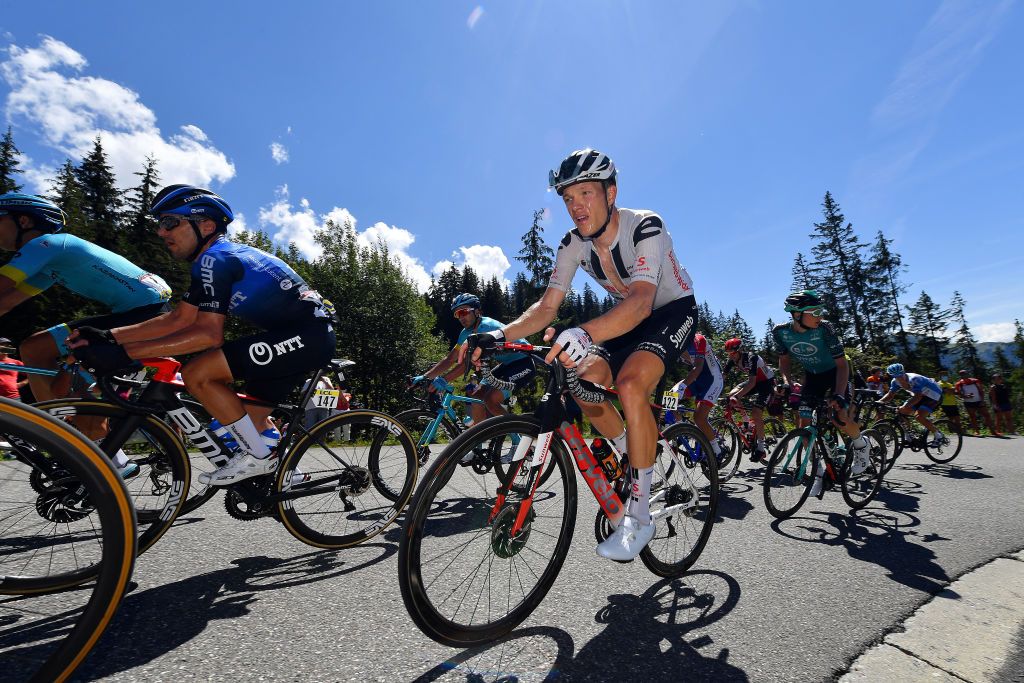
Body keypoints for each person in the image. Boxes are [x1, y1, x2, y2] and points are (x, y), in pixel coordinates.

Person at [463, 148, 698, 561]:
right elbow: (547, 308)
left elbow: (643, 302)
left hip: (668, 310)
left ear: (611, 194)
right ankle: (631, 448)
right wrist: (499, 334)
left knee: (629, 385)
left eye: (585, 194)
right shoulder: (573, 244)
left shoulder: (646, 227)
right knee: (581, 382)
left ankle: (640, 516)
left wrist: (584, 332)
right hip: (628, 317)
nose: (575, 206)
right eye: (568, 198)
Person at [68, 185, 336, 486]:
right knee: (246, 419)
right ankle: (286, 475)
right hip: (298, 336)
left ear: (206, 225)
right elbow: (178, 319)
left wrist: (125, 353)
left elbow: (209, 335)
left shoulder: (216, 260)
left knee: (198, 373)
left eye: (170, 222)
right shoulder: (213, 260)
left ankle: (260, 459)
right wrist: (110, 335)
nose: (161, 232)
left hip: (305, 335)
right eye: (159, 224)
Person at [0, 193, 171, 402]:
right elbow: (5, 303)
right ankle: (48, 424)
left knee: (87, 405)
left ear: (23, 221)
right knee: (34, 348)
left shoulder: (46, 245)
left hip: (146, 315)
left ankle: (49, 427)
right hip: (143, 312)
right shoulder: (49, 263)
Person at [772, 290, 871, 497]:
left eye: (821, 311)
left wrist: (839, 394)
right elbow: (784, 360)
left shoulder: (825, 328)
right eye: (814, 311)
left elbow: (842, 364)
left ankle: (862, 446)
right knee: (805, 424)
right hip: (814, 376)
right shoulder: (780, 332)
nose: (820, 316)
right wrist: (787, 382)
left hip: (838, 372)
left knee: (840, 416)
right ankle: (818, 475)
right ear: (797, 314)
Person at [414, 293, 535, 426]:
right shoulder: (466, 333)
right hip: (507, 364)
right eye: (457, 314)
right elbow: (450, 359)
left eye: (464, 312)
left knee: (490, 399)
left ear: (477, 311)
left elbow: (468, 363)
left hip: (524, 363)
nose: (461, 317)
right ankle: (479, 443)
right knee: (477, 396)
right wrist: (425, 377)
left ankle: (519, 433)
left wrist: (443, 379)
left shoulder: (488, 327)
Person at [667, 334, 726, 461]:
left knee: (699, 417)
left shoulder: (699, 339)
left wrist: (683, 386)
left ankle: (717, 450)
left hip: (713, 379)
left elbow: (698, 367)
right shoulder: (674, 342)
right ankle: (681, 429)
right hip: (697, 379)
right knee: (669, 398)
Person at [723, 337, 775, 461]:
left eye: (733, 353)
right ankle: (746, 422)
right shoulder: (732, 360)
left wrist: (738, 397)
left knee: (756, 413)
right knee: (731, 395)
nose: (731, 356)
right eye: (728, 353)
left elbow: (751, 383)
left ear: (740, 350)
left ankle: (761, 449)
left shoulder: (752, 358)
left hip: (767, 383)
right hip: (755, 381)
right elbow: (721, 377)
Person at [878, 364, 944, 446]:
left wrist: (905, 406)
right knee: (901, 412)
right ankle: (909, 436)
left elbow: (918, 397)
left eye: (900, 375)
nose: (899, 378)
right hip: (920, 395)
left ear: (903, 372)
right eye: (896, 376)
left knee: (919, 416)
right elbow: (890, 395)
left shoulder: (914, 379)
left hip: (934, 395)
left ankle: (939, 435)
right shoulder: (895, 382)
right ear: (892, 376)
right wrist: (879, 402)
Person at [955, 370, 999, 436]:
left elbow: (981, 391)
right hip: (968, 402)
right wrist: (965, 396)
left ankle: (993, 431)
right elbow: (959, 394)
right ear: (960, 376)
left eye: (965, 374)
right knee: (972, 417)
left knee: (987, 415)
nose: (964, 375)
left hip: (979, 401)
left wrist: (982, 400)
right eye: (962, 374)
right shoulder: (958, 384)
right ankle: (976, 431)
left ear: (968, 374)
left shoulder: (975, 381)